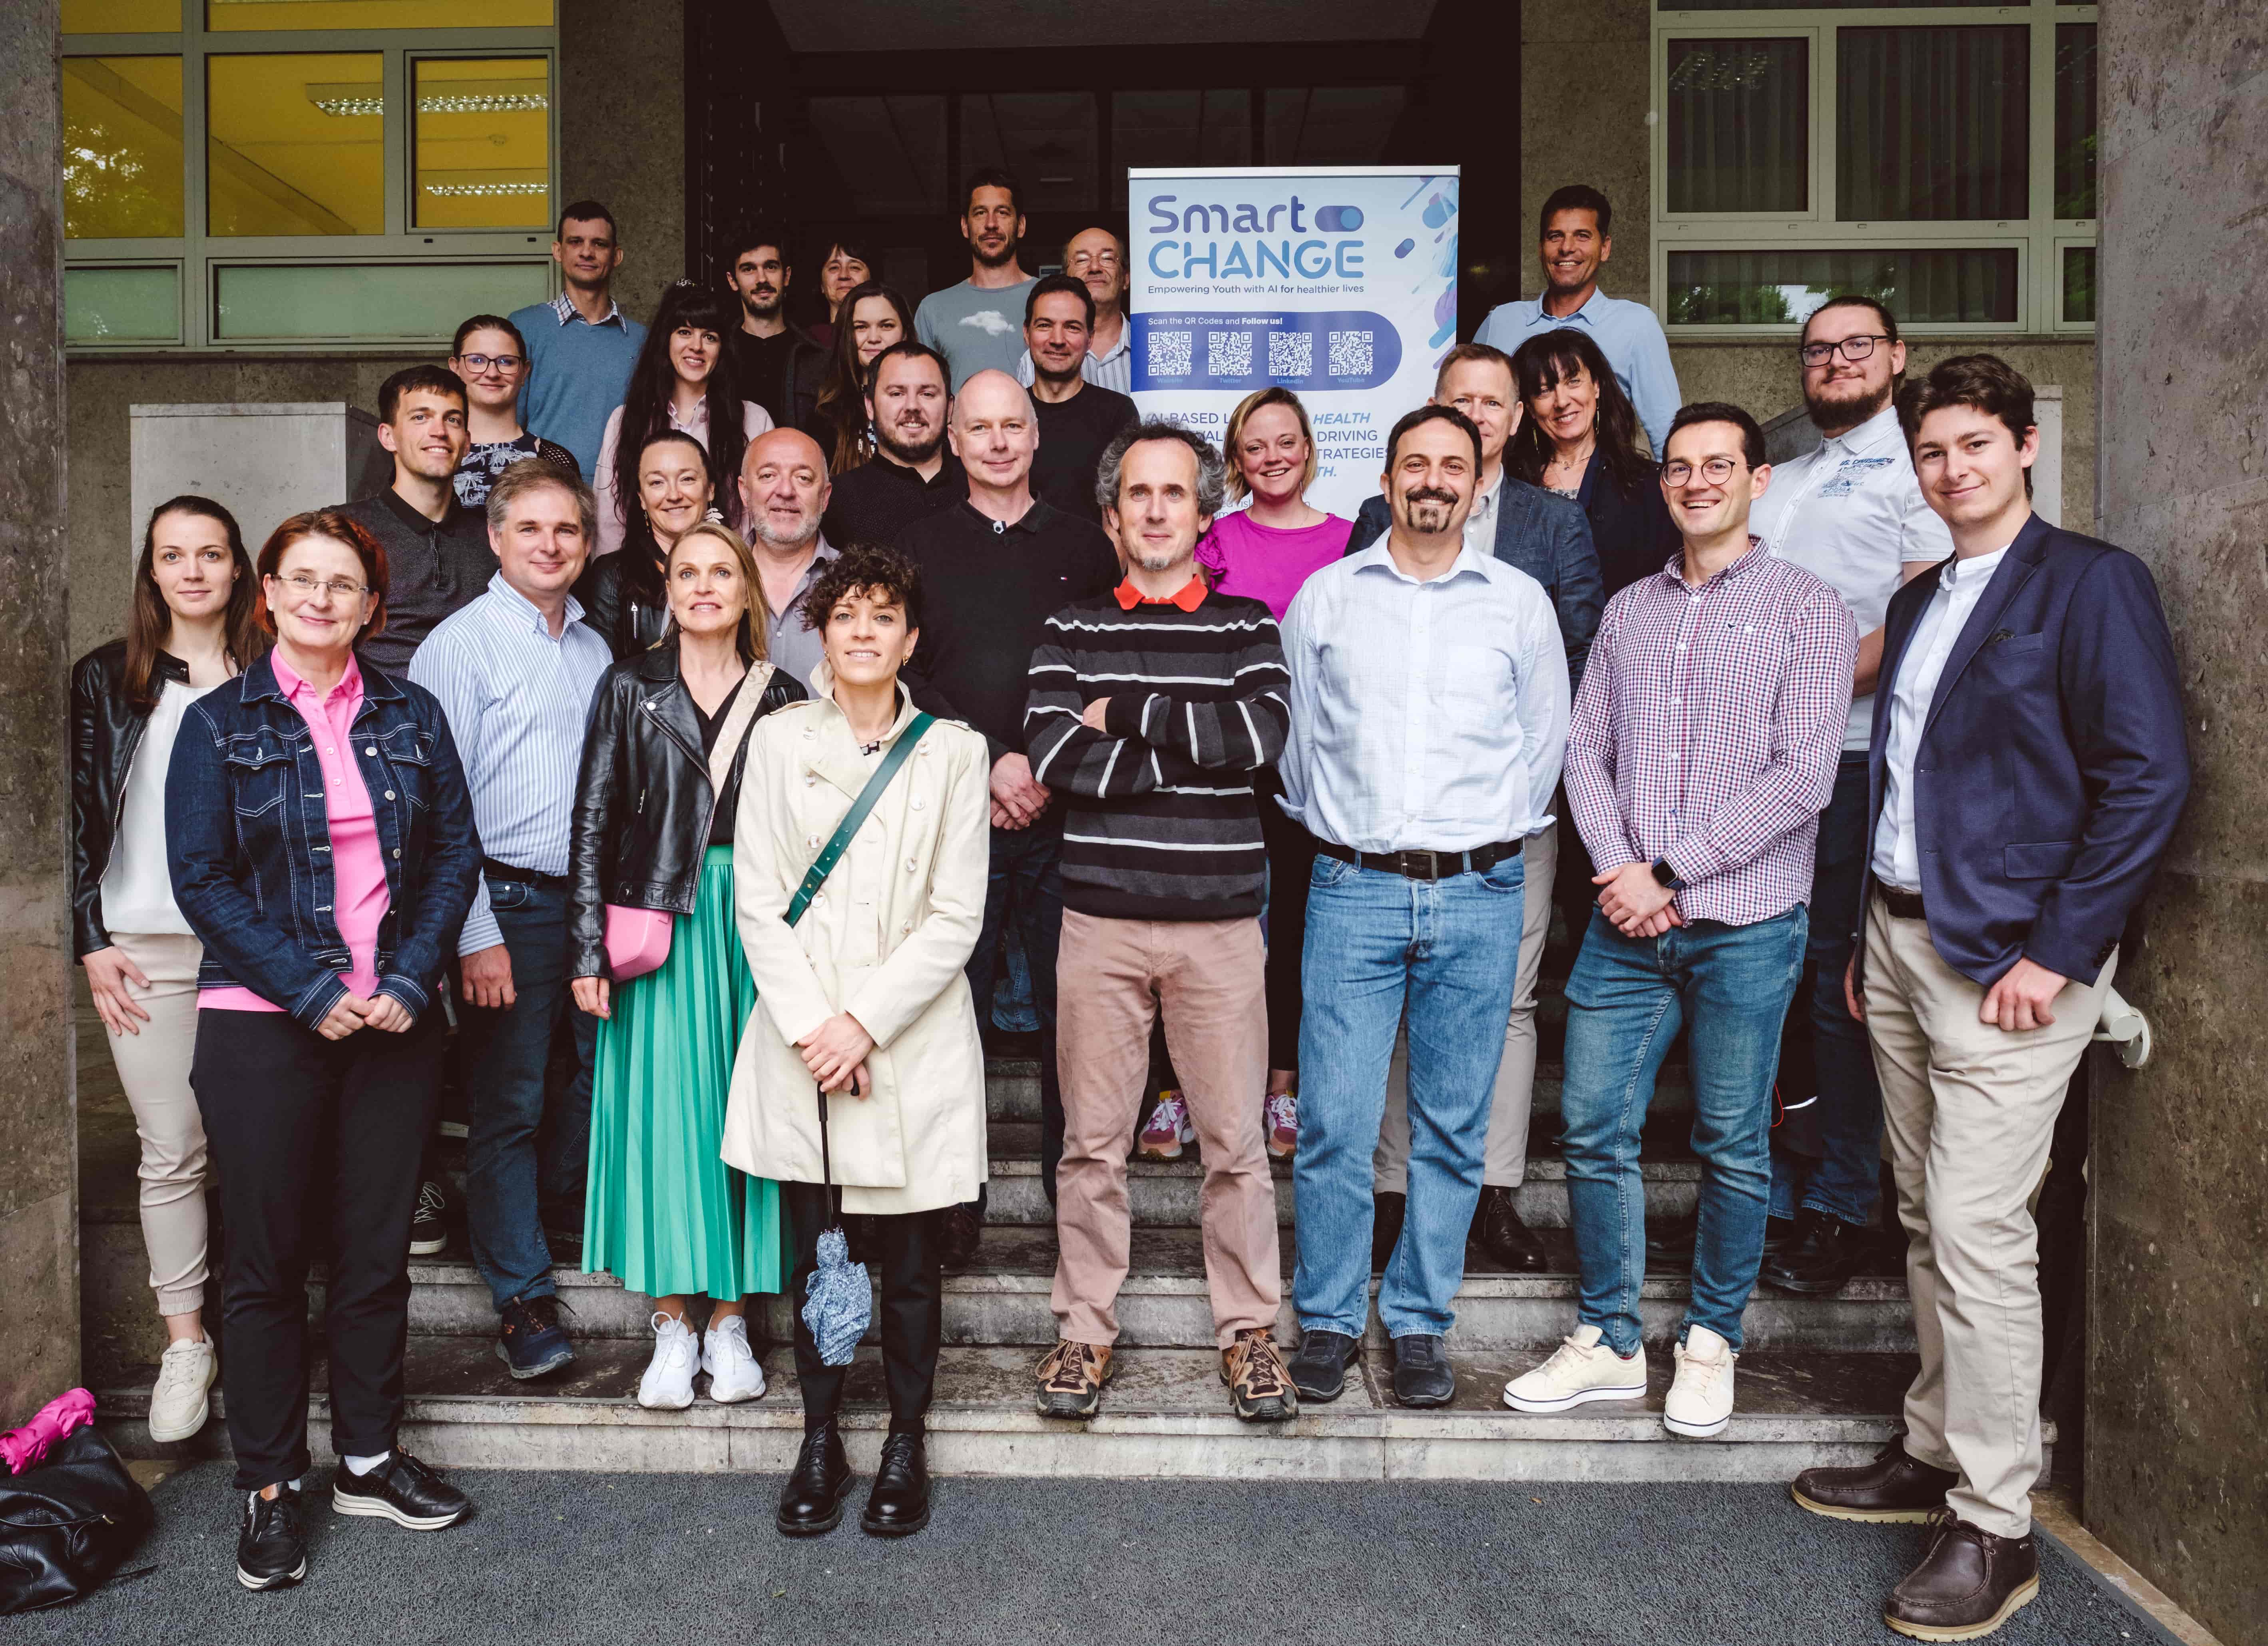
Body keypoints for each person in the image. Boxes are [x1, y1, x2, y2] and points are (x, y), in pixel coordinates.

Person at [1788, 357, 2188, 1643]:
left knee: (1975, 1226)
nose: (1950, 468)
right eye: (1931, 452)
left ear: (2024, 445)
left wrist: (2060, 949)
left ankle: (1995, 1519)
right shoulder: (1918, 600)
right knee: (1922, 1211)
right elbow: (1899, 787)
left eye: (1973, 444)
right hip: (1902, 945)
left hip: (2012, 966)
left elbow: (2146, 779)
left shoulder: (2088, 584)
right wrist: (1867, 934)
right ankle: (1927, 1445)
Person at [1503, 403, 1856, 1442]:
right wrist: (1619, 868)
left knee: (1735, 1141)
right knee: (1591, 1129)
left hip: (1745, 919)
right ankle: (1611, 1338)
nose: (1697, 480)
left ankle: (1710, 1340)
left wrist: (1669, 869)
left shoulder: (1807, 607)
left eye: (1720, 465)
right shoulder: (1626, 611)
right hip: (1625, 922)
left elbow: (1802, 776)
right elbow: (1582, 748)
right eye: (1682, 467)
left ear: (1758, 482)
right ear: (1663, 488)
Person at [168, 508, 483, 1592]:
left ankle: (365, 1458)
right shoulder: (219, 723)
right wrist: (309, 988)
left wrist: (403, 979)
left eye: (342, 583)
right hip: (265, 1026)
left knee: (374, 1253)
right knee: (261, 1263)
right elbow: (200, 881)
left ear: (369, 606)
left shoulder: (412, 712)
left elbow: (453, 855)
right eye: (300, 579)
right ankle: (268, 1483)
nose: (320, 598)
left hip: (393, 1024)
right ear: (267, 592)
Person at [1278, 406, 1569, 1411]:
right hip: (1352, 885)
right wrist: (1356, 836)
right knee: (1334, 1121)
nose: (1432, 481)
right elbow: (1297, 748)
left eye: (1451, 464)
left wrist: (1475, 842)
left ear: (1477, 480)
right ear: (1388, 478)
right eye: (1414, 464)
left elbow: (1543, 748)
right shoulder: (1325, 598)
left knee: (1450, 1126)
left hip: (1480, 892)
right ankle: (1323, 1317)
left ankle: (1416, 1320)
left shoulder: (1517, 603)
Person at [1025, 421, 1296, 1425]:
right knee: (1091, 1146)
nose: (1153, 510)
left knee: (1233, 1147)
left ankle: (1248, 1335)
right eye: (1136, 493)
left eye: (1172, 493)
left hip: (1220, 931)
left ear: (1203, 509)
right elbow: (1056, 755)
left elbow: (1258, 737)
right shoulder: (1068, 631)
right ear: (1110, 514)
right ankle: (1084, 1331)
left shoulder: (1248, 627)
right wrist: (1191, 742)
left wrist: (1125, 708)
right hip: (1099, 925)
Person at [723, 543, 992, 1538]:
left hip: (902, 1042)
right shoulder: (780, 741)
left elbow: (956, 916)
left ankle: (907, 1439)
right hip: (803, 1041)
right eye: (847, 616)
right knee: (818, 1253)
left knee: (912, 1260)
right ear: (822, 636)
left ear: (910, 639)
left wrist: (861, 1023)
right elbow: (757, 900)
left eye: (885, 616)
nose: (865, 631)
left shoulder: (954, 751)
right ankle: (821, 1434)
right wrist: (813, 1026)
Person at [1350, 342, 1602, 1273]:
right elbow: (1354, 651)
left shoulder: (1550, 519)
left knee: (1504, 1004)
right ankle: (1390, 1192)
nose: (1479, 415)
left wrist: (1520, 787)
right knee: (1397, 1001)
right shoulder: (1381, 514)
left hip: (1510, 812)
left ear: (1514, 417)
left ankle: (1493, 1193)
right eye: (1460, 401)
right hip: (1398, 812)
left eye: (1493, 403)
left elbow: (1576, 650)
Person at [569, 520, 806, 1411]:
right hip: (660, 923)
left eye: (722, 572)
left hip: (755, 928)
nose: (704, 585)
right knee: (669, 1122)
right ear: (665, 589)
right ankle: (672, 1323)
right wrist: (586, 947)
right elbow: (591, 818)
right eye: (687, 571)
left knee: (749, 1117)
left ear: (748, 591)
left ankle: (731, 1321)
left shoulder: (783, 694)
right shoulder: (629, 686)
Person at [1747, 297, 1951, 1299]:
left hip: (1849, 762)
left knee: (1834, 984)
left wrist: (1797, 693)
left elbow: (1911, 620)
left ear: (1894, 357)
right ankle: (1776, 1190)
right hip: (1758, 767)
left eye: (1854, 346)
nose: (1832, 361)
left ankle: (1839, 1203)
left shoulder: (1915, 472)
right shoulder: (1778, 475)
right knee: (1766, 981)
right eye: (1817, 349)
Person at [898, 370, 1119, 1265]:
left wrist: (1037, 759)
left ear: (1035, 438)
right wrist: (988, 759)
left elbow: (1104, 673)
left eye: (1011, 426)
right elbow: (906, 676)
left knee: (1079, 1024)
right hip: (956, 819)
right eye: (977, 427)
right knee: (955, 1018)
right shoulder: (914, 545)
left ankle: (1076, 1212)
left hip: (1067, 817)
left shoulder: (1085, 546)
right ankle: (956, 1203)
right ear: (953, 439)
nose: (995, 441)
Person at [409, 461, 613, 1381]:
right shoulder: (460, 645)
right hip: (509, 900)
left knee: (600, 1078)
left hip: (591, 905)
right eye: (528, 529)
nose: (549, 545)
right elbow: (432, 805)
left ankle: (533, 1204)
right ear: (495, 539)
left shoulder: (594, 650)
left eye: (565, 529)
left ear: (588, 540)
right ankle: (523, 1297)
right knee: (510, 1101)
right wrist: (473, 929)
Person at [71, 496, 262, 1449]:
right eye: (173, 557)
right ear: (152, 573)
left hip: (256, 948)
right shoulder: (109, 680)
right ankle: (186, 1338)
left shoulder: (273, 675)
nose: (192, 571)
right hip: (144, 948)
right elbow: (75, 816)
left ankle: (264, 1322)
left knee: (263, 1143)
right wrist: (89, 936)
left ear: (238, 569)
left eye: (211, 554)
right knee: (171, 1146)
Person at [1183, 387, 1353, 1164]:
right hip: (1228, 761)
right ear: (1235, 457)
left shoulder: (1354, 542)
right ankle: (1193, 1085)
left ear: (1309, 449)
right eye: (1255, 445)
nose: (1272, 457)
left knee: (1291, 929)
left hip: (1318, 765)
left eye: (1286, 442)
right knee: (1213, 929)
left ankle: (1281, 1078)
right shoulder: (1210, 541)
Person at [1475, 185, 1680, 456]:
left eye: (1582, 236)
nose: (1567, 248)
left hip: (1601, 491)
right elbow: (1462, 414)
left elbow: (1667, 435)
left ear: (1604, 248)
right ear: (1540, 249)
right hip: (1511, 489)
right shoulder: (1500, 322)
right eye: (1555, 237)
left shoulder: (1635, 325)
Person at [594, 279, 774, 559]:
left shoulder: (754, 420)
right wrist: (614, 586)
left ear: (723, 348)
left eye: (710, 337)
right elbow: (609, 518)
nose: (697, 346)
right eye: (684, 332)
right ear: (665, 340)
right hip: (645, 578)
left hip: (728, 576)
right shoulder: (625, 420)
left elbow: (762, 520)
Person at [335, 365, 494, 676]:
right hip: (378, 716)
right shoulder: (343, 530)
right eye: (420, 417)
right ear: (388, 437)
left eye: (453, 419)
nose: (439, 431)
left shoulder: (495, 535)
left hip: (481, 714)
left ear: (466, 442)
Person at [1507, 327, 1680, 602]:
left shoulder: (1648, 484)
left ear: (1596, 386)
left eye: (1573, 382)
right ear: (1527, 407)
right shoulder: (1508, 483)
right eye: (1543, 391)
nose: (1562, 402)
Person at [510, 201, 647, 482]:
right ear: (558, 251)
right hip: (544, 491)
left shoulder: (641, 339)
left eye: (599, 244)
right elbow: (506, 422)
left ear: (617, 256)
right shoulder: (524, 327)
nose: (587, 252)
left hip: (621, 494)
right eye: (576, 242)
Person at [576, 430, 717, 660]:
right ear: (642, 499)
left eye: (687, 479)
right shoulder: (613, 575)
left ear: (710, 489)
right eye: (657, 482)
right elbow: (604, 676)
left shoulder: (737, 567)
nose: (673, 495)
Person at [818, 339, 963, 547]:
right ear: (870, 406)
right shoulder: (838, 501)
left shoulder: (981, 485)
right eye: (897, 394)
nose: (912, 406)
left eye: (927, 394)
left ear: (950, 408)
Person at [1021, 273, 1137, 523]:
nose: (1057, 340)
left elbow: (1123, 516)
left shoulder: (1117, 413)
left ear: (1090, 339)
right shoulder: (1006, 415)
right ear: (1026, 333)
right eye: (1044, 325)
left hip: (1095, 562)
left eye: (1072, 327)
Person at [914, 168, 1039, 390]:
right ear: (965, 226)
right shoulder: (933, 309)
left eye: (1002, 212)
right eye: (980, 213)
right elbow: (920, 391)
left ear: (1021, 226)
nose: (991, 224)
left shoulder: (1050, 300)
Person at [739, 427, 841, 691]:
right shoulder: (707, 583)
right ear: (744, 491)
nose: (785, 491)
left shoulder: (856, 586)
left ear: (825, 497)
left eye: (804, 478)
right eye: (768, 476)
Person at [448, 314, 580, 510]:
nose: (492, 373)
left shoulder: (555, 460)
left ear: (525, 372)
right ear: (456, 368)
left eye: (506, 362)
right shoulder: (433, 452)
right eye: (477, 360)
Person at [723, 225, 826, 432]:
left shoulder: (817, 357)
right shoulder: (719, 354)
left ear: (786, 276)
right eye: (749, 269)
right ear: (732, 281)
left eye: (771, 267)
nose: (762, 279)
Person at [807, 281, 918, 472]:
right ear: (846, 335)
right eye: (861, 327)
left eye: (886, 326)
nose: (873, 337)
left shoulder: (926, 403)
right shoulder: (826, 412)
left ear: (905, 334)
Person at [1016, 226, 1132, 393]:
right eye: (1082, 260)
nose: (1094, 268)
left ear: (1126, 278)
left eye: (1107, 258)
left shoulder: (1150, 350)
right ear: (1066, 276)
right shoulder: (1035, 360)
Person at [807, 234, 876, 352]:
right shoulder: (807, 341)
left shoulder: (885, 338)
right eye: (834, 268)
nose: (844, 275)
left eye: (855, 267)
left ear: (871, 281)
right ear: (822, 285)